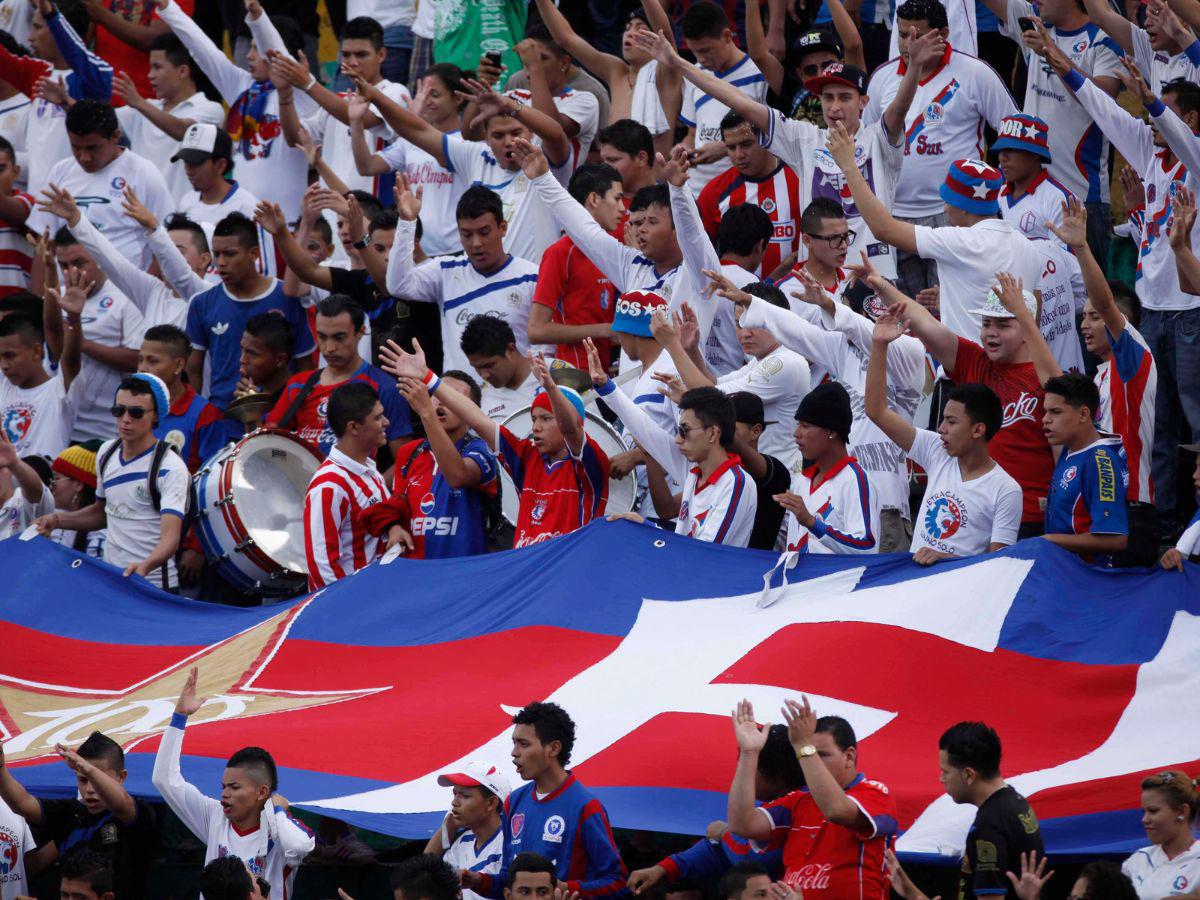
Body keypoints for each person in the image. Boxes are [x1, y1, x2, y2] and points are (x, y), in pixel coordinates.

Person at [1038, 51, 1200, 540]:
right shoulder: (1150, 155)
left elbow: (1176, 135)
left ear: (1187, 119)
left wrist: (1152, 102)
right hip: (1152, 313)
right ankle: (1163, 521)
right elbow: (1106, 112)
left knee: (1197, 424)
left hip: (1193, 311)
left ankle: (1194, 528)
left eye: (1160, 113)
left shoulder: (1195, 161)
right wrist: (1061, 64)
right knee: (1160, 426)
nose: (1148, 122)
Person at [633, 27, 938, 281]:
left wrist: (913, 67)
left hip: (875, 277)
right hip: (817, 280)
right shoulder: (804, 138)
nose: (834, 107)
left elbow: (898, 108)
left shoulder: (879, 139)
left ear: (863, 102)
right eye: (827, 97)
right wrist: (677, 63)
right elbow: (741, 103)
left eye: (845, 97)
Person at [729, 262, 925, 550]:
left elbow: (865, 333)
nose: (839, 317)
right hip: (830, 493)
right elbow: (799, 332)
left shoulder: (909, 353)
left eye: (847, 308)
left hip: (885, 506)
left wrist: (831, 307)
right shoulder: (843, 349)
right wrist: (751, 302)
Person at [825, 122, 1046, 343]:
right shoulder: (1028, 248)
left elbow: (883, 228)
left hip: (970, 372)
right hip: (1020, 369)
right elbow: (1033, 323)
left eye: (948, 200)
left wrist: (849, 166)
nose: (945, 207)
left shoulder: (960, 241)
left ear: (962, 207)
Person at [381, 340, 609, 548]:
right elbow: (478, 419)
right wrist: (429, 378)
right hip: (528, 574)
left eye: (546, 418)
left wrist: (551, 388)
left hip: (568, 573)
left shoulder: (588, 465)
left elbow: (571, 428)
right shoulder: (527, 457)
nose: (535, 427)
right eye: (533, 419)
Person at [863, 0, 1017, 298]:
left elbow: (1013, 130)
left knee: (953, 309)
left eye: (918, 35)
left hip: (955, 217)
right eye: (902, 35)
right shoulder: (882, 77)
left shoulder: (975, 73)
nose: (909, 45)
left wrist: (1003, 193)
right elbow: (867, 146)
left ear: (944, 33)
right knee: (904, 315)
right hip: (893, 220)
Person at [887, 272, 1059, 538]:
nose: (991, 332)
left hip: (1030, 517)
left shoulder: (1046, 376)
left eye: (1003, 325)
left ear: (1026, 329)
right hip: (972, 514)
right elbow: (922, 320)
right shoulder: (973, 360)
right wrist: (875, 281)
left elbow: (1062, 400)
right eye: (986, 323)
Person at [349, 61, 572, 262]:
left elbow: (557, 135)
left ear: (531, 132)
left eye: (516, 132)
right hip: (481, 289)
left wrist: (507, 104)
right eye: (498, 136)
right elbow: (416, 130)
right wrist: (376, 96)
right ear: (486, 138)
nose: (508, 142)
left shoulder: (545, 162)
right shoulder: (475, 156)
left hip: (538, 289)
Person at [976, 0, 1122, 270]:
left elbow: (1104, 101)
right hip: (1025, 194)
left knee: (1088, 304)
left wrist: (1053, 56)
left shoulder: (1103, 39)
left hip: (1079, 198)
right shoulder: (1034, 20)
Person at [867, 316, 1022, 563]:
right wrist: (879, 345)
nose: (941, 429)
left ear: (977, 430)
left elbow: (998, 567)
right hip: (913, 585)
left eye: (951, 421)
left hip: (957, 597)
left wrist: (946, 559)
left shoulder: (1006, 490)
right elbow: (876, 411)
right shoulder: (936, 450)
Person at [154, 666, 315, 896]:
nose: (224, 794)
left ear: (261, 792)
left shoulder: (279, 829)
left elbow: (300, 846)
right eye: (223, 787)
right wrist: (179, 717)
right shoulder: (214, 817)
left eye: (234, 787)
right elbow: (164, 779)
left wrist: (277, 808)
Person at [1061, 196, 1159, 565]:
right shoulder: (1097, 377)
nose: (1085, 324)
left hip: (1130, 510)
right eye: (1083, 316)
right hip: (1096, 509)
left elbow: (1106, 303)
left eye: (1095, 317)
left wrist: (1082, 247)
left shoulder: (1133, 357)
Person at [590, 333, 757, 545]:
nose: (677, 440)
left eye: (684, 431)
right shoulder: (694, 474)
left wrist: (650, 528)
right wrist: (605, 385)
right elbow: (646, 429)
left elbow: (705, 551)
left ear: (713, 433)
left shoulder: (736, 482)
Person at [157, 0, 314, 220]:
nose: (248, 56)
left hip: (285, 223)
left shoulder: (303, 92)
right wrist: (168, 8)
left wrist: (258, 17)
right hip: (241, 223)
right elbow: (202, 49)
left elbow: (275, 47)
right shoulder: (243, 86)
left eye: (256, 49)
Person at [726, 698, 898, 899]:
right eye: (805, 754)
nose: (809, 761)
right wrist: (749, 753)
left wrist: (803, 745)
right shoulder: (798, 801)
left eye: (820, 754)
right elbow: (742, 824)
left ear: (849, 757)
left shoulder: (875, 793)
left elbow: (835, 810)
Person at [35, 374, 187, 589]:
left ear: (156, 416)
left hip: (154, 585)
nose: (125, 419)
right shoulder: (106, 452)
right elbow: (101, 512)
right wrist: (57, 520)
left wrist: (145, 566)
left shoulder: (170, 466)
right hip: (114, 580)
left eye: (136, 412)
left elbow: (171, 538)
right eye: (119, 410)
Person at [464, 703, 626, 898]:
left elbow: (619, 883)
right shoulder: (513, 802)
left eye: (524, 744)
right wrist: (478, 880)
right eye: (514, 743)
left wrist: (568, 889)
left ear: (553, 748)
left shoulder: (585, 807)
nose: (514, 752)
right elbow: (510, 881)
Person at [653, 285, 809, 475]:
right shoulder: (763, 360)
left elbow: (711, 399)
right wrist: (691, 350)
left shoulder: (785, 362)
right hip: (760, 474)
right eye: (739, 324)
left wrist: (672, 345)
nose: (745, 333)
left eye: (754, 324)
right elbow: (715, 385)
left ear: (778, 320)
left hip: (778, 481)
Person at [386, 181, 538, 376]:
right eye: (466, 234)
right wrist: (407, 222)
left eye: (484, 232)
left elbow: (543, 350)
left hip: (515, 400)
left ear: (502, 227)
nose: (476, 243)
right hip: (460, 400)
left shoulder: (532, 277)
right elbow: (398, 286)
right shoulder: (446, 271)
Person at [629, 724, 803, 893]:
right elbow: (718, 849)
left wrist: (725, 833)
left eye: (750, 767)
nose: (743, 775)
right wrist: (662, 869)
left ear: (778, 775)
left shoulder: (799, 807)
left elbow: (749, 857)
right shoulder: (770, 806)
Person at [357, 370, 499, 559]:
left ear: (469, 410)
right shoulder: (410, 452)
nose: (441, 401)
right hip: (418, 573)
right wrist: (394, 528)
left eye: (452, 397)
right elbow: (399, 505)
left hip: (464, 573)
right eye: (436, 394)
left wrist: (426, 412)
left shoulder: (482, 449)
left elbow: (458, 476)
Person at [0, 731, 155, 900]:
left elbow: (122, 803)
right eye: (82, 780)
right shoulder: (70, 813)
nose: (90, 789)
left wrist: (87, 769)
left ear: (122, 777)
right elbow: (23, 804)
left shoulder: (137, 814)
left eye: (97, 779)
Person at [185, 212, 316, 409]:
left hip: (280, 417)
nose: (220, 262)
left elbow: (304, 364)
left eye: (230, 254)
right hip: (223, 418)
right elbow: (193, 370)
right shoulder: (201, 303)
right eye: (217, 254)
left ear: (253, 253)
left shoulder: (288, 296)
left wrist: (299, 411)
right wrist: (196, 419)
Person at [271, 15, 412, 198]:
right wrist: (285, 94)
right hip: (331, 216)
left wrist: (308, 84)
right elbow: (294, 138)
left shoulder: (395, 92)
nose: (352, 62)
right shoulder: (336, 101)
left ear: (381, 55)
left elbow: (365, 119)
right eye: (346, 55)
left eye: (361, 54)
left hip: (373, 215)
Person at [27, 99, 172, 272]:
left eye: (93, 148)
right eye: (76, 147)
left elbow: (165, 243)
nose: (84, 157)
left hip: (124, 293)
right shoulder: (60, 171)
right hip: (66, 291)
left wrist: (147, 294)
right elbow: (43, 245)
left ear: (116, 136)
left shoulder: (143, 173)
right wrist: (38, 298)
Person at [266, 295, 411, 458]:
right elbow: (270, 447)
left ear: (361, 332)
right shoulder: (298, 385)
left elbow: (404, 463)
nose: (329, 348)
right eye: (322, 336)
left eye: (339, 337)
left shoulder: (385, 388)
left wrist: (367, 484)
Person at [0, 0, 113, 192]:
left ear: (58, 30)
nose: (30, 37)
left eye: (37, 28)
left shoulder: (92, 78)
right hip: (40, 202)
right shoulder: (39, 72)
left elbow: (80, 56)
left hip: (79, 200)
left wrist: (53, 17)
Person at [45, 227, 143, 442]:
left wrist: (81, 342)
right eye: (64, 265)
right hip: (64, 424)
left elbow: (136, 359)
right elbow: (54, 346)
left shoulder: (126, 296)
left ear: (99, 256)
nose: (72, 272)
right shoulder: (58, 296)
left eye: (79, 263)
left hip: (109, 426)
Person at [529, 163, 621, 369]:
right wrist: (604, 329)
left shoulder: (610, 249)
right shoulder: (560, 253)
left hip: (605, 374)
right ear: (594, 199)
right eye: (617, 198)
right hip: (575, 377)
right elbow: (536, 330)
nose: (623, 208)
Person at [112, 33, 225, 201]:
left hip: (182, 219)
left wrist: (139, 102)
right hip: (139, 219)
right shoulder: (144, 108)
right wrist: (66, 101)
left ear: (182, 71)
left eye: (157, 67)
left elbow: (185, 132)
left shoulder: (210, 109)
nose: (150, 75)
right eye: (150, 67)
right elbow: (101, 122)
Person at [939, 722, 1043, 900]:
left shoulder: (989, 826)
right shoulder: (1016, 802)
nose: (941, 779)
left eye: (945, 772)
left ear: (968, 775)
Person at [302, 381, 391, 589]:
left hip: (376, 598)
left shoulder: (369, 469)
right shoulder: (329, 485)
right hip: (353, 609)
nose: (386, 422)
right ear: (353, 428)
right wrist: (347, 610)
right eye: (378, 417)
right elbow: (321, 566)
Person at [674, 2, 767, 196]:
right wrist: (683, 149)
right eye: (694, 52)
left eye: (706, 50)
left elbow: (774, 134)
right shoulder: (695, 74)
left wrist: (726, 148)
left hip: (741, 191)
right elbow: (692, 135)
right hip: (697, 191)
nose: (701, 59)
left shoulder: (759, 74)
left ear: (727, 36)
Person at [776, 382, 880, 556]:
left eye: (805, 425)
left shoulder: (855, 480)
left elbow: (867, 547)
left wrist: (812, 523)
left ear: (832, 431)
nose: (797, 433)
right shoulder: (803, 481)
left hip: (833, 583)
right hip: (795, 582)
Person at [695, 113, 802, 280]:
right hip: (734, 300)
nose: (738, 155)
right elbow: (702, 259)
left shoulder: (800, 180)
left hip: (796, 299)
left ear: (766, 139)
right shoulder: (713, 194)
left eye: (746, 144)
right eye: (731, 148)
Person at [1041, 372, 1130, 565]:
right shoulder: (1071, 444)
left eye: (1055, 412)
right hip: (1064, 570)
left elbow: (1116, 539)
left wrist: (1048, 541)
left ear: (1083, 414)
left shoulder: (1100, 462)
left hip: (1089, 579)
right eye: (1045, 411)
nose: (1045, 419)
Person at [139, 324, 227, 472]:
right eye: (140, 360)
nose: (142, 368)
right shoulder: (134, 407)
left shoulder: (206, 414)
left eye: (152, 361)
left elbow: (213, 476)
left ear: (179, 365)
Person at [422, 761, 509, 900]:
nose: (454, 802)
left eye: (464, 795)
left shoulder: (510, 841)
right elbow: (422, 871)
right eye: (455, 794)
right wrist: (447, 829)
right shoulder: (463, 842)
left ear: (491, 803)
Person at [0, 311, 77, 457]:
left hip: (42, 478)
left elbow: (71, 357)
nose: (4, 365)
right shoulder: (3, 384)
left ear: (36, 351)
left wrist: (74, 320)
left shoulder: (60, 390)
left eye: (10, 356)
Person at [994, 114, 1074, 245]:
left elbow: (1067, 262)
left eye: (1011, 149)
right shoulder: (994, 194)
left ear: (1035, 153)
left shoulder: (1060, 200)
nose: (1003, 157)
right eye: (1000, 150)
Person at [1121, 771, 1200, 898]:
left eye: (1153, 811)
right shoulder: (1137, 861)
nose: (1144, 819)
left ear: (1182, 811)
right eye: (1144, 812)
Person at [459, 315, 537, 421]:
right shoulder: (482, 402)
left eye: (488, 365)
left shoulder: (557, 374)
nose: (484, 376)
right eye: (476, 368)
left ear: (511, 350)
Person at [238, 311, 295, 407]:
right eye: (242, 350)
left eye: (252, 353)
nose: (242, 360)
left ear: (280, 360)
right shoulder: (250, 394)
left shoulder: (298, 402)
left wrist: (252, 412)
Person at [596, 119, 658, 204]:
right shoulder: (597, 202)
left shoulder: (672, 204)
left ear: (641, 158)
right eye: (602, 161)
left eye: (612, 160)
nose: (604, 167)